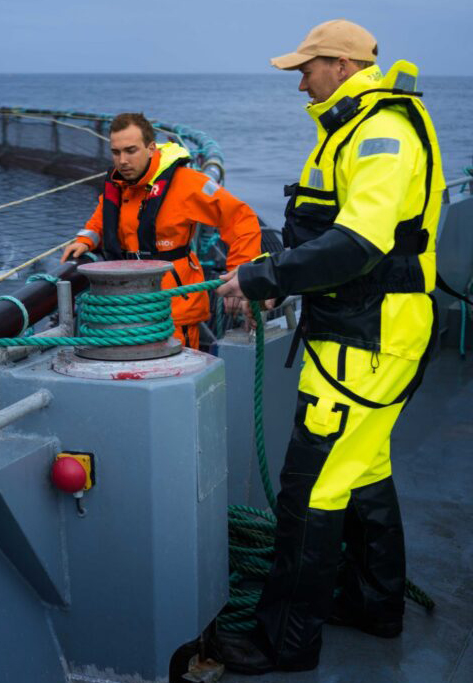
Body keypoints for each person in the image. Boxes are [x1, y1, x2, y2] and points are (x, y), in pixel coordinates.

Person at [213, 19, 446, 675]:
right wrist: (281, 275)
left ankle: (284, 641)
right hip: (367, 336)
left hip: (367, 343)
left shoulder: (378, 132)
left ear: (342, 64)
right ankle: (376, 605)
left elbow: (357, 244)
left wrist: (267, 277)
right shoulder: (354, 126)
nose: (299, 83)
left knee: (309, 487)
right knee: (363, 472)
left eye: (306, 69)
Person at [60, 113, 260, 348]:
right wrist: (85, 239)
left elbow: (241, 218)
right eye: (116, 152)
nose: (122, 160)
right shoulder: (119, 186)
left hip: (174, 310)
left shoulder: (188, 183)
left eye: (131, 150)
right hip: (125, 307)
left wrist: (240, 271)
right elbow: (102, 218)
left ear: (151, 148)